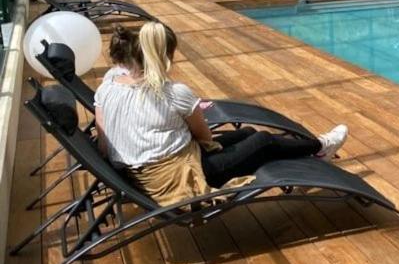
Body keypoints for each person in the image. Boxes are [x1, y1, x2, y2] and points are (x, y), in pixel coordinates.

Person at [94, 21, 349, 205]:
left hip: (134, 173)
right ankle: (320, 147)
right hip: (179, 178)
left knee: (247, 132)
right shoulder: (172, 93)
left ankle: (304, 157)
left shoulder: (109, 85)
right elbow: (203, 135)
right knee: (263, 141)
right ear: (164, 56)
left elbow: (104, 145)